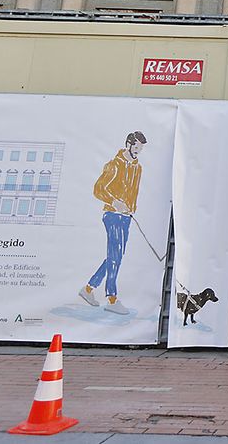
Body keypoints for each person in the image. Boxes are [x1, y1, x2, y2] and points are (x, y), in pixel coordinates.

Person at [80, 130, 146, 315]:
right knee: (115, 256)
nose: (138, 151)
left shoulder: (137, 168)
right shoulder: (114, 165)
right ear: (128, 144)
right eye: (136, 147)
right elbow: (98, 189)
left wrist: (131, 209)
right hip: (112, 215)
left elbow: (134, 192)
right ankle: (112, 298)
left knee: (115, 256)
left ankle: (88, 289)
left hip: (126, 217)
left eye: (141, 148)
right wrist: (114, 202)